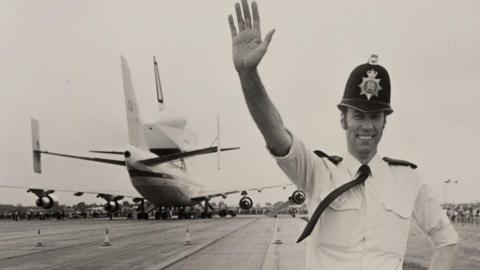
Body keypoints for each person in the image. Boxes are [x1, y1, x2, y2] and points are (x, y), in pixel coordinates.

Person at [227, 1, 458, 269]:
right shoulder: (317, 172)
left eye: (375, 116)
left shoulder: (408, 179)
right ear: (343, 120)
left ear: (385, 122)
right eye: (358, 115)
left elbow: (447, 240)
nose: (367, 126)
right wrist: (248, 74)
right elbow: (274, 130)